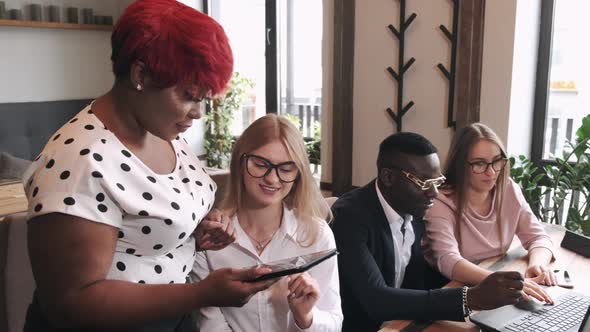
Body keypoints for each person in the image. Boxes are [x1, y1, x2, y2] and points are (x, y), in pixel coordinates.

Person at [23, 1, 274, 331]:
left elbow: (140, 228)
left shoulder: (161, 129)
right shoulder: (80, 160)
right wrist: (201, 293)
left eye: (204, 98)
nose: (198, 112)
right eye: (188, 95)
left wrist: (192, 232)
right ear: (140, 75)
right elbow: (72, 303)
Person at [331, 132, 528, 332]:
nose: (434, 192)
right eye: (424, 183)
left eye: (436, 181)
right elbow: (375, 299)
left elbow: (416, 284)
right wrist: (469, 298)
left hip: (403, 323)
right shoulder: (348, 218)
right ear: (388, 177)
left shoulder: (413, 208)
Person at [193, 114, 343, 332]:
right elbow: (208, 324)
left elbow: (334, 322)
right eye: (261, 164)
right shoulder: (210, 237)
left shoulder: (317, 235)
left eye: (285, 169)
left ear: (298, 172)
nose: (272, 179)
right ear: (240, 162)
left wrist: (307, 317)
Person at [423, 123, 556, 302]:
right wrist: (501, 282)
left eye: (496, 161)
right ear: (460, 164)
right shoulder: (440, 200)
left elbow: (538, 237)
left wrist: (537, 264)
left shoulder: (507, 188)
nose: (491, 172)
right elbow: (448, 260)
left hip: (496, 281)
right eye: (479, 163)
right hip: (453, 293)